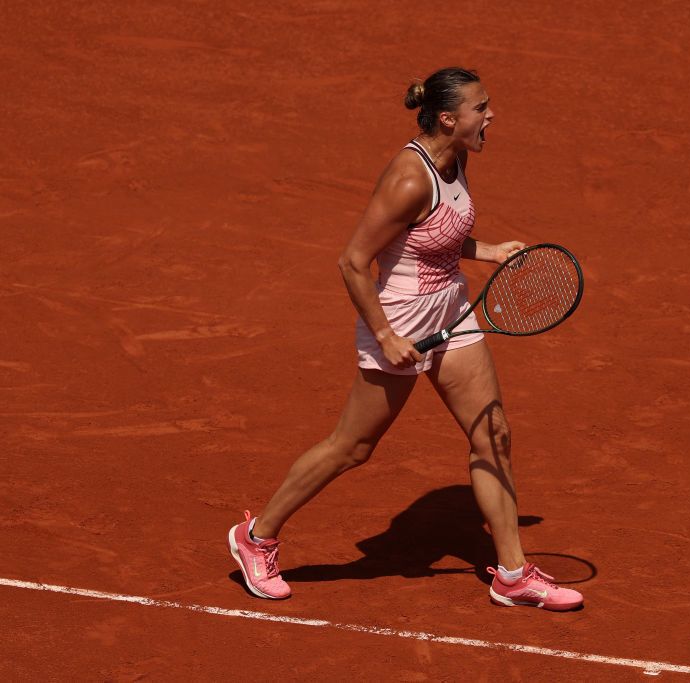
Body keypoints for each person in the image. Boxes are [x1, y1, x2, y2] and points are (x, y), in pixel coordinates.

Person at [227, 67, 583, 612]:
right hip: (397, 316)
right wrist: (386, 335)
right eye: (480, 108)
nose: (491, 115)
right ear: (448, 118)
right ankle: (256, 539)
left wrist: (483, 251)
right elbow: (352, 261)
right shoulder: (409, 178)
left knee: (495, 435)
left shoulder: (456, 157)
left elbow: (436, 233)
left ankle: (512, 574)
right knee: (353, 448)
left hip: (452, 309)